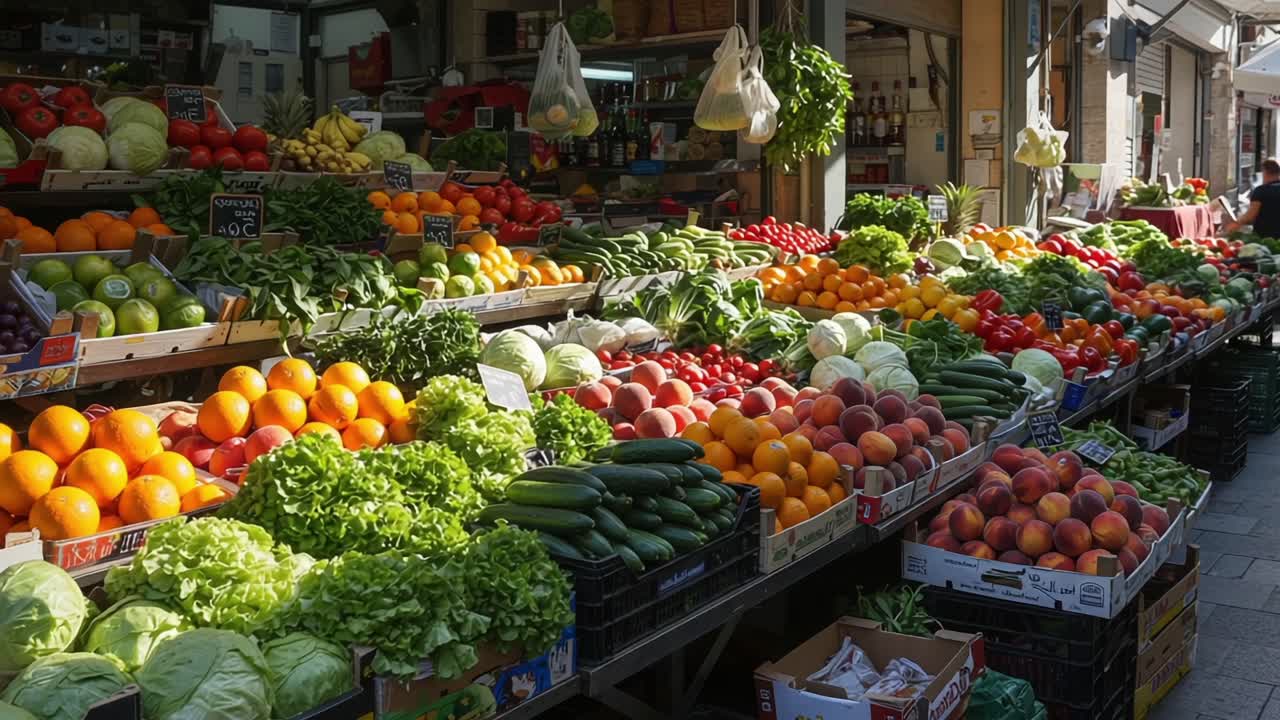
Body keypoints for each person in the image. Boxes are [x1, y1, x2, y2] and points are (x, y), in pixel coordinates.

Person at [1224, 158, 1280, 238]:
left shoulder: (1261, 191)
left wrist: (1235, 223)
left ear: (1265, 172)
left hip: (1265, 240)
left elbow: (1250, 217)